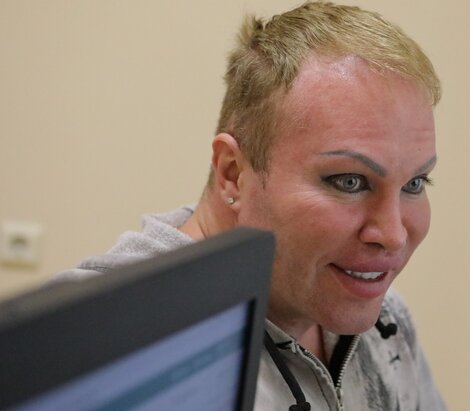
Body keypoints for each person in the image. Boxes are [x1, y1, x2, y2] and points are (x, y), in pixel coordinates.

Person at [55, 2, 446, 410]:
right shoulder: (97, 342)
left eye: (415, 183)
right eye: (349, 182)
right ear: (232, 173)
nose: (393, 234)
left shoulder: (386, 320)